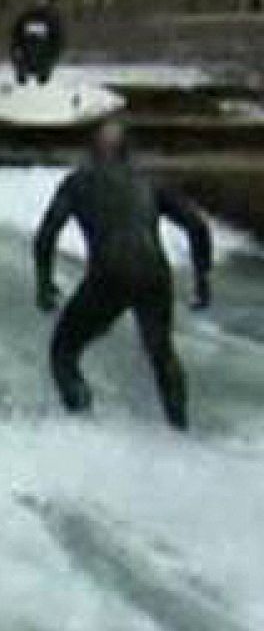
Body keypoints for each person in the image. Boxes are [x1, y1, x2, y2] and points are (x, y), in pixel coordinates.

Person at [32, 122, 213, 431]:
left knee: (63, 352)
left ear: (89, 152)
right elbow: (197, 226)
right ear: (130, 153)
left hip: (109, 274)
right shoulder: (149, 182)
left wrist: (45, 285)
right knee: (161, 354)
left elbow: (47, 234)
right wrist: (201, 280)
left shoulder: (77, 183)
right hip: (153, 273)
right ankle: (181, 430)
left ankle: (83, 424)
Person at [11, 0, 65, 85]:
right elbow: (16, 35)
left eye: (42, 4)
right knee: (22, 65)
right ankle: (22, 78)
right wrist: (17, 49)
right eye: (37, 3)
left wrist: (53, 54)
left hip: (43, 53)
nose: (39, 5)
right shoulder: (26, 18)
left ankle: (41, 78)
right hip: (27, 51)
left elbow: (57, 39)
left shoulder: (51, 20)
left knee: (42, 76)